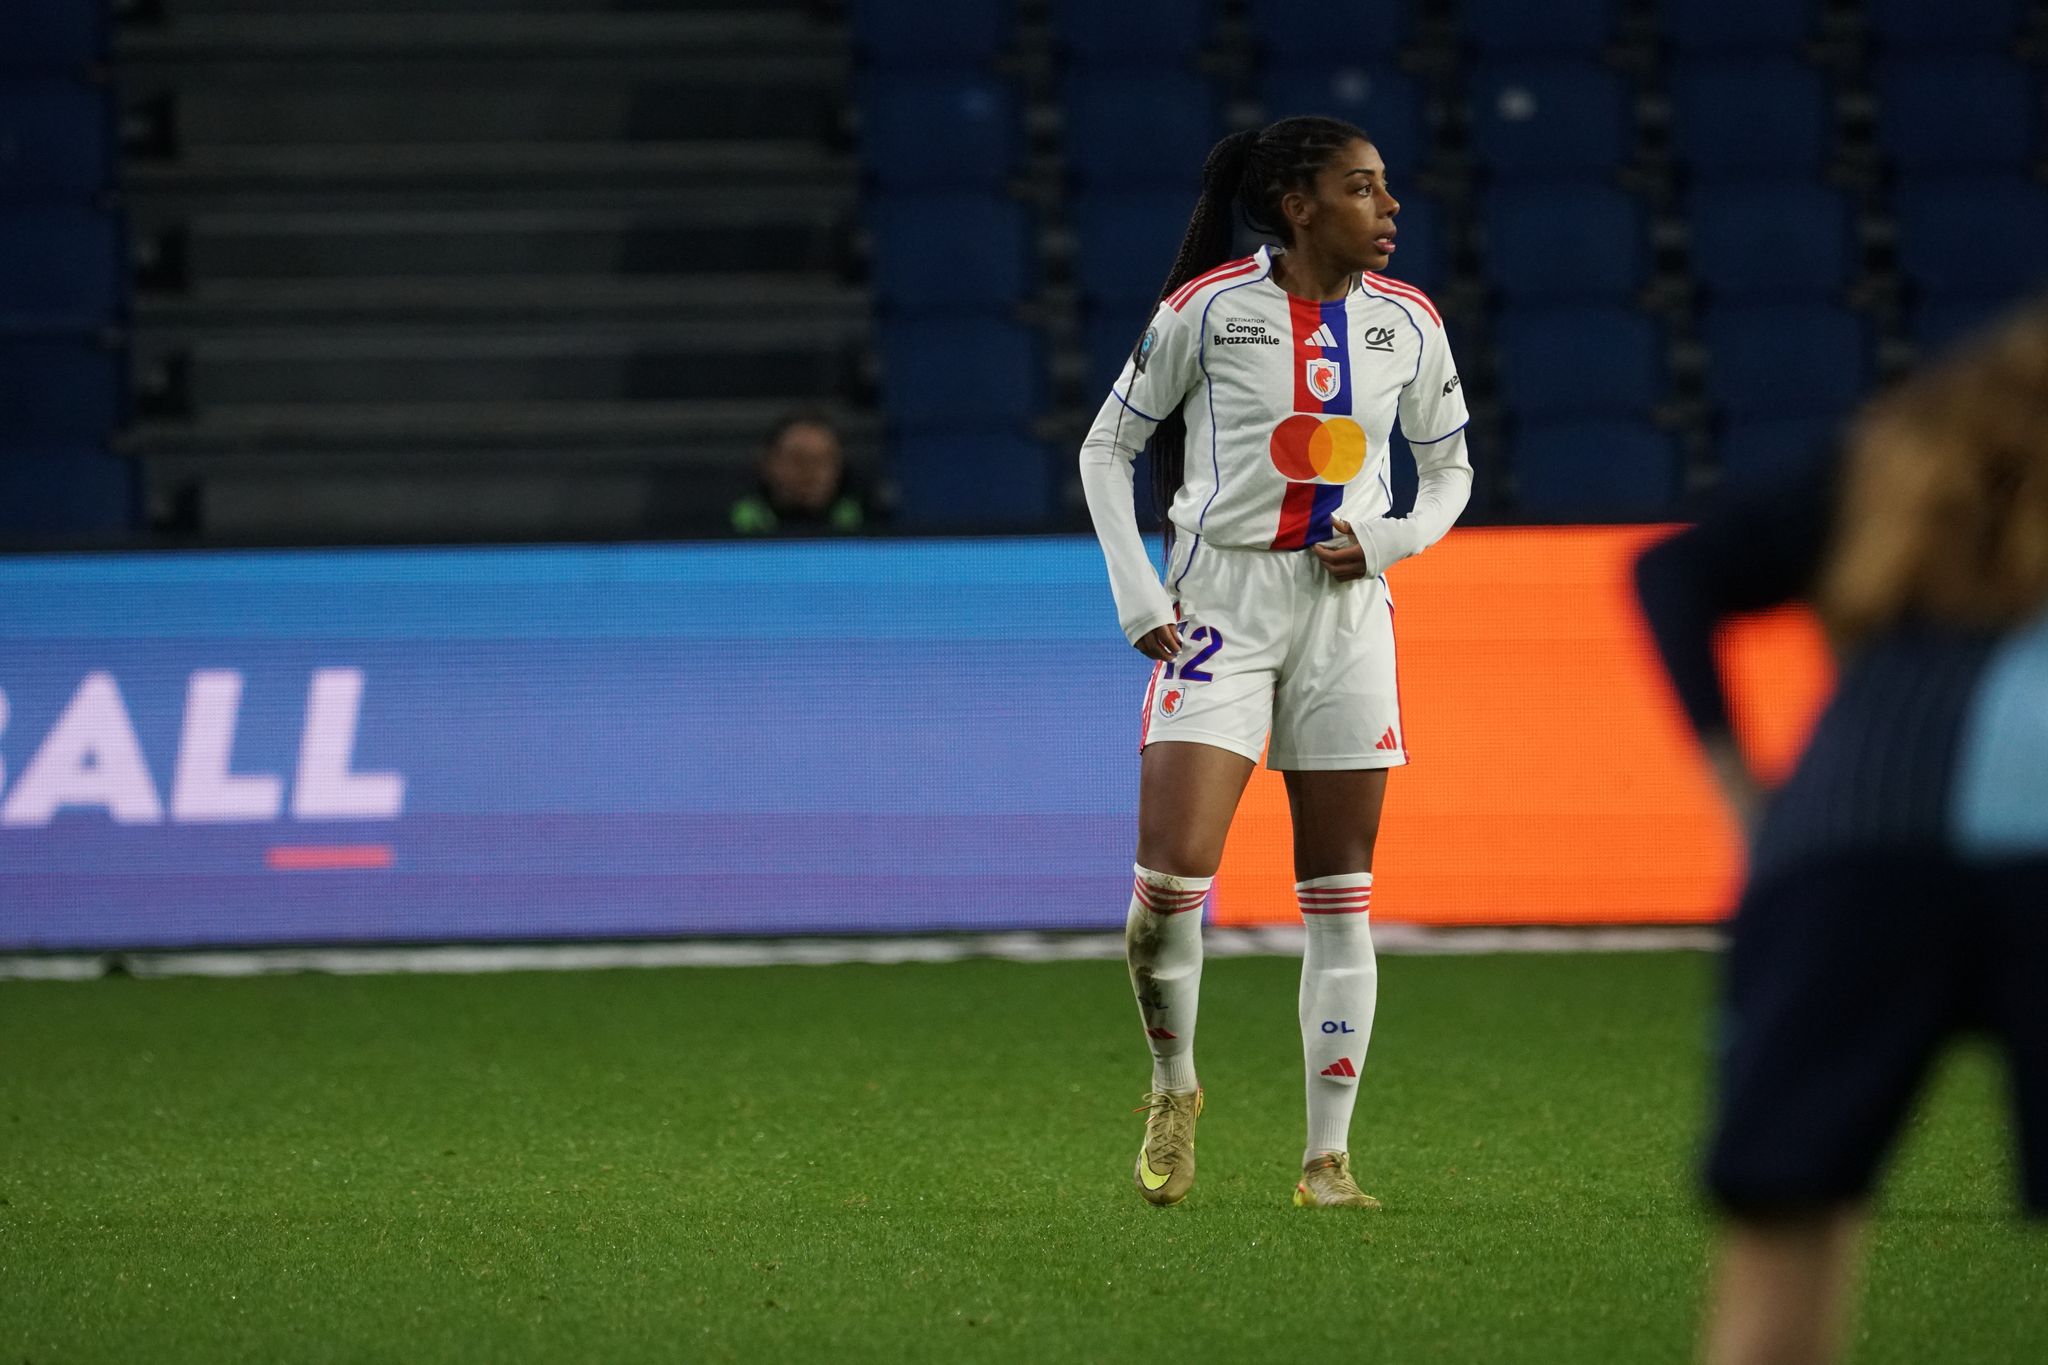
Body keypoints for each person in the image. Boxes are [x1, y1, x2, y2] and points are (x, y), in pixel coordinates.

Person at [1635, 299, 2048, 1365]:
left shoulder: (1908, 450)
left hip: (1846, 840)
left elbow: (1672, 572)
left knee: (1784, 1239)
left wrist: (1739, 787)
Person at [1078, 117, 1474, 1209]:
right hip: (1219, 608)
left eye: (1384, 186)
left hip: (1346, 616)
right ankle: (1172, 1086)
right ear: (1298, 207)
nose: (1388, 206)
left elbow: (1449, 470)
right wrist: (1136, 591)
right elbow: (1106, 447)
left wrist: (1391, 536)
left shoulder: (1409, 322)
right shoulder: (1207, 309)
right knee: (1171, 882)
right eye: (1362, 188)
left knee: (1340, 896)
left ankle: (1326, 1161)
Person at [729, 412, 868, 535]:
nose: (810, 471)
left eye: (821, 460)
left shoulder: (865, 524)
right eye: (798, 459)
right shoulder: (731, 527)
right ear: (768, 463)